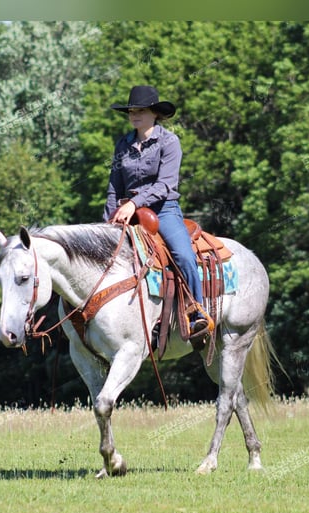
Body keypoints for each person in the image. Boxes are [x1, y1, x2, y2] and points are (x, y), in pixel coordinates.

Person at [103, 85, 212, 337]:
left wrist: (134, 202)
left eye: (140, 110)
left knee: (183, 256)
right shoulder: (122, 145)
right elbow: (113, 188)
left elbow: (165, 185)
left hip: (163, 210)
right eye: (131, 111)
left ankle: (196, 311)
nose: (134, 115)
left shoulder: (169, 142)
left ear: (154, 113)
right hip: (127, 214)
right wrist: (108, 221)